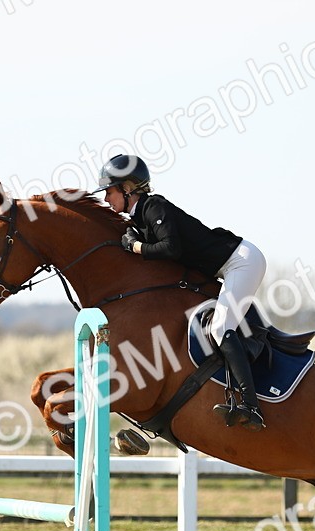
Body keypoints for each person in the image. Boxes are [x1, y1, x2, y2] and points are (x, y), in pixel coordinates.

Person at [92, 154, 267, 431]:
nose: (106, 199)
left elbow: (170, 249)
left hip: (241, 262)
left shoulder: (153, 206)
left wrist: (136, 247)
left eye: (109, 192)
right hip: (226, 266)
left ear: (127, 189)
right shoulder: (140, 216)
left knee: (221, 329)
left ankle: (250, 406)